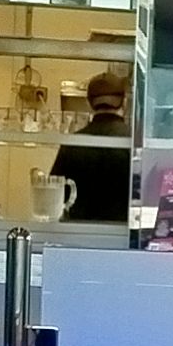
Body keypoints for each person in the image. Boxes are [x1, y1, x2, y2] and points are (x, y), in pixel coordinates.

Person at [47, 63, 132, 226]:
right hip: (124, 234)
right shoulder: (134, 142)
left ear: (89, 103)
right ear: (125, 102)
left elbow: (55, 197)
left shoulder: (73, 143)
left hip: (79, 233)